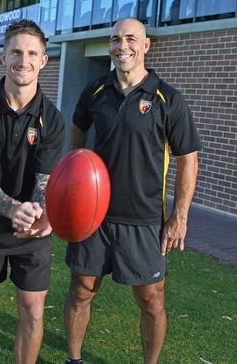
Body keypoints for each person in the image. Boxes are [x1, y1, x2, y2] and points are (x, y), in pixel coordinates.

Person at [63, 18, 201, 364]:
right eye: (115, 39)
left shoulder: (167, 98)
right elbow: (77, 132)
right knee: (81, 290)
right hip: (94, 215)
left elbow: (188, 160)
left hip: (145, 219)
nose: (122, 46)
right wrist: (74, 180)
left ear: (146, 45)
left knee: (151, 299)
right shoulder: (94, 92)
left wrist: (180, 216)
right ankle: (73, 359)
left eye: (130, 39)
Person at [0, 19, 65, 364]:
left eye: (32, 53)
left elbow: (45, 181)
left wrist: (37, 212)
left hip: (32, 229)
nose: (24, 60)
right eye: (17, 52)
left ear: (44, 60)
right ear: (4, 56)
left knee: (33, 311)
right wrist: (11, 209)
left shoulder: (52, 118)